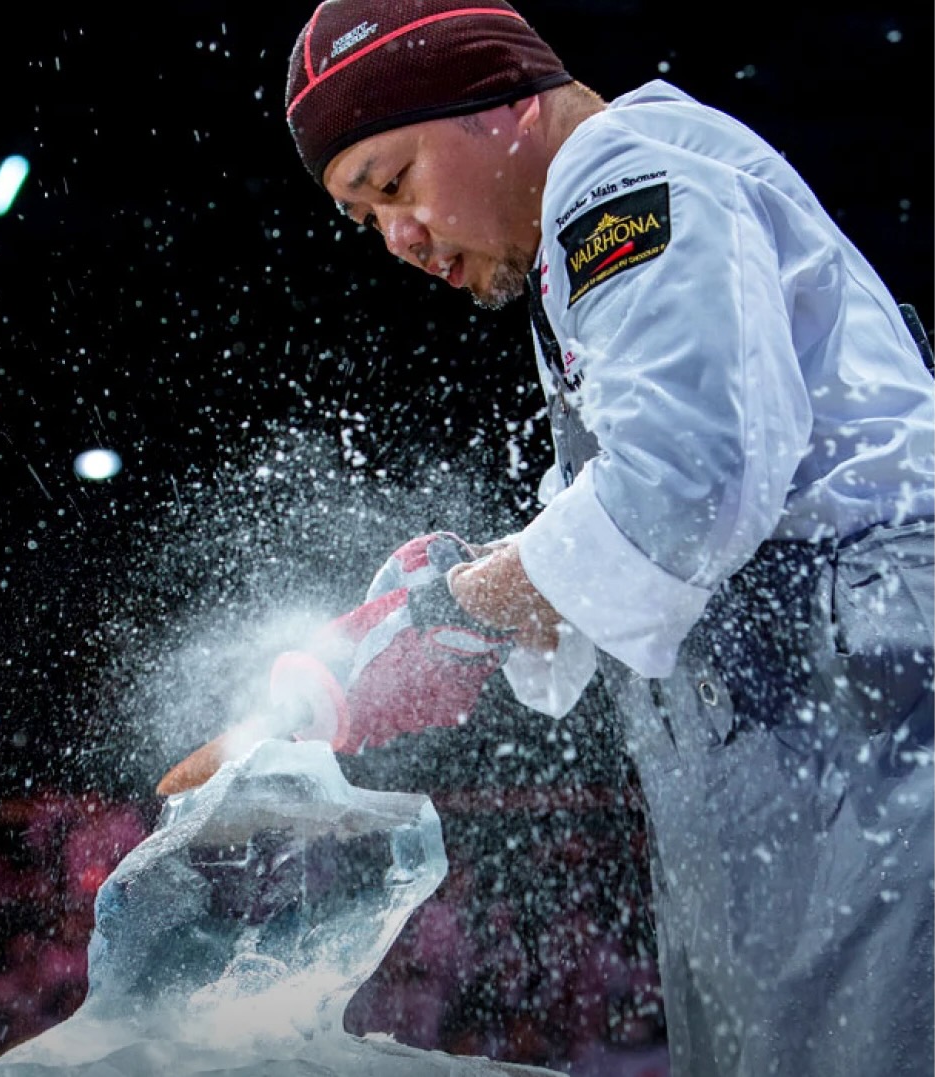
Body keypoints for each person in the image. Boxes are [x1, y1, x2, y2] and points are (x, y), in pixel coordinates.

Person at [164, 2, 935, 1075]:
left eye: (393, 183)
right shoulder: (584, 243)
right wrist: (461, 610)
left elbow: (684, 488)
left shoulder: (624, 175)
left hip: (876, 729)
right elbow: (616, 527)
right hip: (798, 753)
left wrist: (450, 613)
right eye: (364, 218)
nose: (397, 238)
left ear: (504, 103)